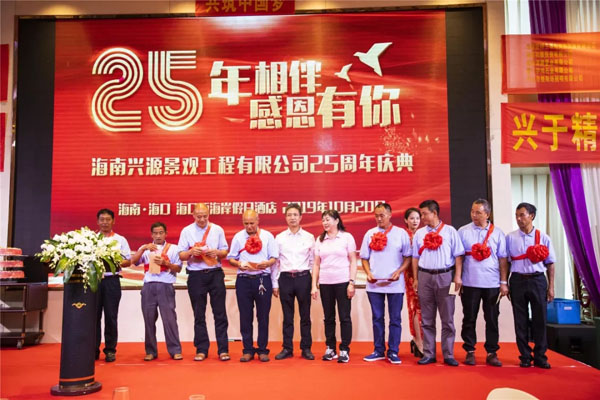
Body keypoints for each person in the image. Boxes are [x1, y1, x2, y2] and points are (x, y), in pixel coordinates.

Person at [412, 200, 464, 366]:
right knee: (427, 318)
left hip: (446, 276)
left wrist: (458, 277)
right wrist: (416, 278)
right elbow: (415, 257)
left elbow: (458, 256)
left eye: (424, 213)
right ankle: (429, 353)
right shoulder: (419, 234)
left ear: (434, 213)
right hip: (425, 277)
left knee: (447, 318)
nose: (422, 217)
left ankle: (448, 354)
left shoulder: (450, 231)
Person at [458, 199, 508, 367]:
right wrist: (458, 278)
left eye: (478, 212)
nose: (474, 215)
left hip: (492, 284)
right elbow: (458, 257)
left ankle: (492, 352)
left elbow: (503, 259)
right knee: (469, 318)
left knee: (492, 319)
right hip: (470, 282)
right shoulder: (463, 231)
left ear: (487, 214)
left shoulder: (498, 233)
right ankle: (470, 351)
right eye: (472, 212)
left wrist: (503, 282)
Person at [359, 203, 412, 364]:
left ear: (390, 215)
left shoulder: (401, 233)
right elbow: (364, 258)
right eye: (376, 216)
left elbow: (408, 257)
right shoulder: (370, 233)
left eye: (382, 215)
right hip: (374, 285)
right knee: (377, 318)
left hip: (395, 284)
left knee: (395, 319)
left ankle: (393, 351)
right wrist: (368, 273)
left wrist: (399, 271)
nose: (379, 218)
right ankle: (378, 350)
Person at [178, 203, 230, 361]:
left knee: (220, 313)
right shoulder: (187, 231)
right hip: (196, 276)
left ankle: (223, 349)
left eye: (205, 216)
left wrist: (217, 252)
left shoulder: (217, 229)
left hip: (215, 274)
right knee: (199, 314)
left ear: (209, 215)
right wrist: (190, 252)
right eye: (199, 216)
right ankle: (201, 349)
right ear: (193, 215)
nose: (202, 219)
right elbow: (181, 255)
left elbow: (225, 252)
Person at [507, 202, 556, 369]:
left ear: (532, 216)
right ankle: (525, 356)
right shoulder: (510, 238)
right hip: (517, 280)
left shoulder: (543, 237)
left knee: (540, 319)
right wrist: (505, 283)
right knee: (520, 320)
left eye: (522, 215)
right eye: (517, 215)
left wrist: (551, 287)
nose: (519, 219)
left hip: (537, 280)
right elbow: (506, 262)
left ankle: (541, 356)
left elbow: (550, 263)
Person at [227, 209, 279, 362]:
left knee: (263, 316)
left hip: (262, 279)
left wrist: (267, 263)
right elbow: (231, 258)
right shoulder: (238, 237)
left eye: (251, 223)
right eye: (246, 223)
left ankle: (262, 349)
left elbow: (274, 258)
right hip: (244, 279)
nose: (249, 226)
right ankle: (247, 349)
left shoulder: (267, 236)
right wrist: (239, 264)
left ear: (258, 221)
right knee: (245, 316)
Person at [130, 222, 183, 361]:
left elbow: (178, 268)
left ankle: (175, 350)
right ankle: (150, 351)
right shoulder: (146, 248)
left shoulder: (173, 249)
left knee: (169, 320)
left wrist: (166, 264)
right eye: (155, 233)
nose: (158, 236)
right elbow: (133, 261)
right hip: (149, 286)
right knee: (148, 320)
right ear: (151, 234)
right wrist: (143, 249)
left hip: (166, 285)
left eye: (161, 233)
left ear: (166, 234)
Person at [311, 209, 357, 363]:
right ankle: (330, 348)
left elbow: (353, 261)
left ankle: (344, 349)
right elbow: (316, 264)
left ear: (337, 221)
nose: (325, 222)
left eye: (328, 219)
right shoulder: (320, 240)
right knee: (328, 318)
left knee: (344, 317)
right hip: (325, 283)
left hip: (343, 282)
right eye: (323, 220)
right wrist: (314, 285)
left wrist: (352, 282)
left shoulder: (346, 237)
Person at [273, 203, 316, 360]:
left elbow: (313, 262)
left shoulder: (309, 237)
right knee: (287, 316)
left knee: (305, 316)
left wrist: (313, 284)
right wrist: (275, 283)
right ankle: (287, 348)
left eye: (295, 215)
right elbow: (276, 263)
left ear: (300, 217)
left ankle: (306, 348)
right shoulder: (279, 238)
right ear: (285, 217)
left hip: (303, 278)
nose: (292, 218)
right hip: (285, 278)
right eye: (289, 215)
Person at [95, 208, 131, 362]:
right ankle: (93, 350)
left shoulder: (120, 240)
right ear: (98, 222)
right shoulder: (91, 240)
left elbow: (128, 261)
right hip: (95, 281)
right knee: (93, 317)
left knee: (111, 316)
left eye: (108, 219)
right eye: (102, 219)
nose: (105, 222)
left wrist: (113, 260)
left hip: (112, 281)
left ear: (113, 221)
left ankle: (110, 350)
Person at [403, 207, 424, 358]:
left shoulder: (424, 234)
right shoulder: (403, 236)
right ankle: (418, 341)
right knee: (414, 307)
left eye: (417, 218)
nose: (415, 221)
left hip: (426, 274)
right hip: (410, 275)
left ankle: (421, 340)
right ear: (406, 220)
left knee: (425, 309)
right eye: (412, 218)